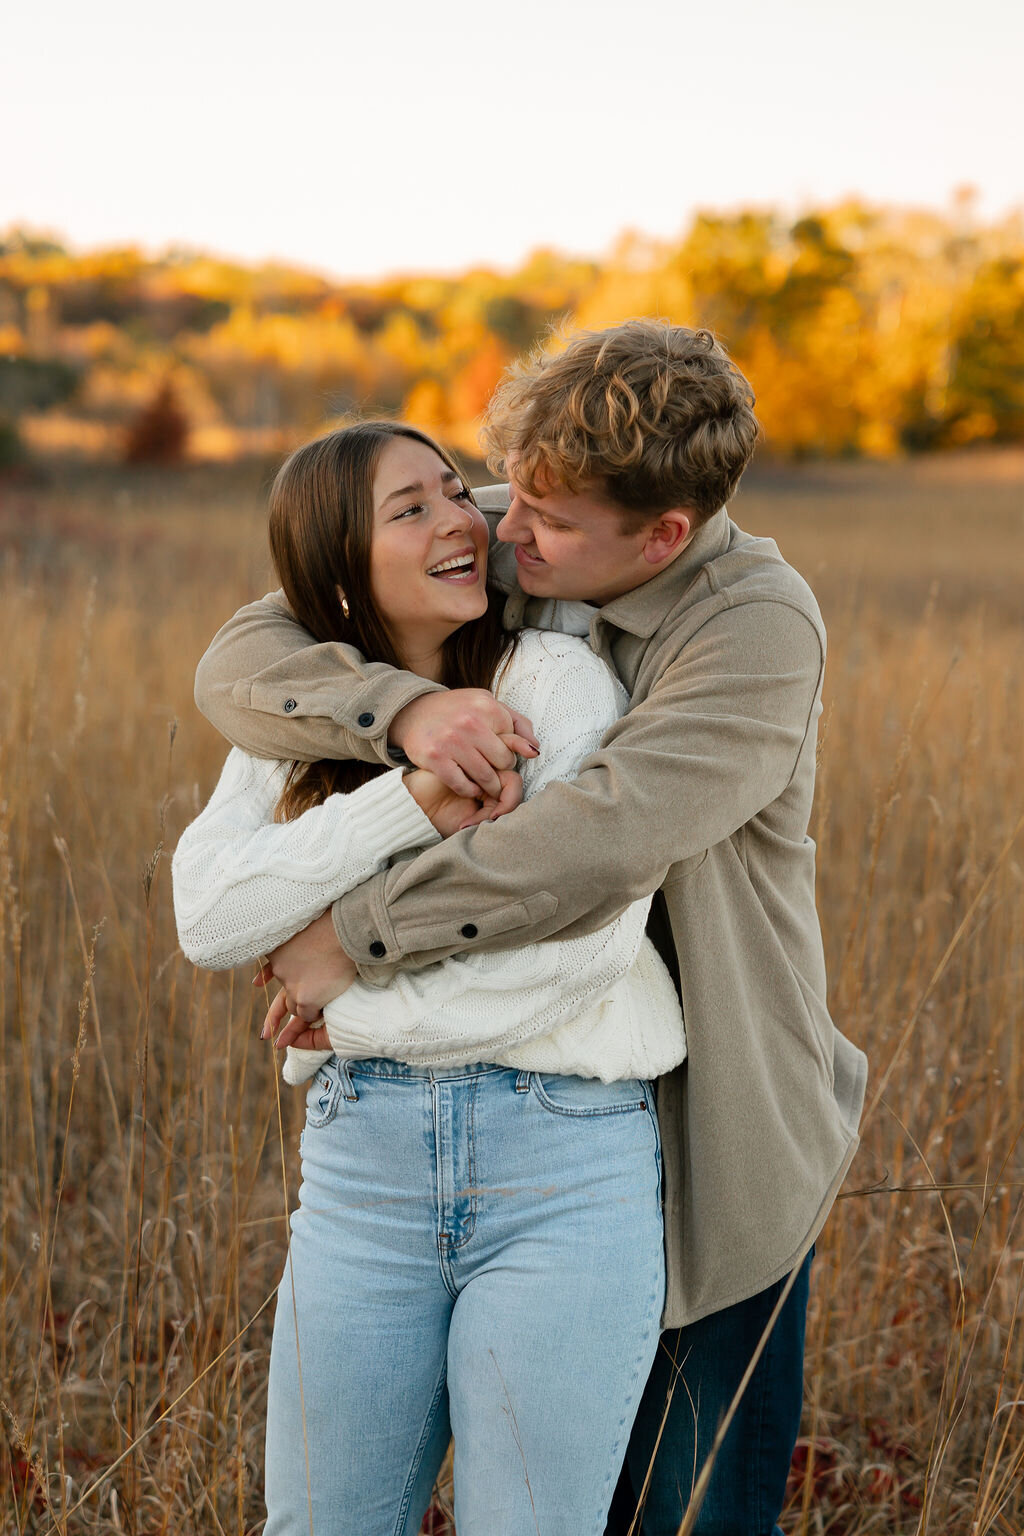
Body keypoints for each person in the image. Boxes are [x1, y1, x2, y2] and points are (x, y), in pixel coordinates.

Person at [194, 320, 870, 1535]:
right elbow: (250, 648)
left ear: (660, 537)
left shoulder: (753, 628)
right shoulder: (526, 530)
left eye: (543, 521)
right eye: (505, 494)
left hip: (707, 1126)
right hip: (500, 1091)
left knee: (691, 1516)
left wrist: (355, 938)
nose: (505, 532)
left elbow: (595, 841)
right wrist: (402, 710)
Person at [172, 420, 686, 1536]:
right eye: (411, 509)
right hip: (362, 1174)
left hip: (561, 1161)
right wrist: (407, 795)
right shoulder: (297, 716)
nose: (462, 520)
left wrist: (347, 997)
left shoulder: (552, 682)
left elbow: (580, 950)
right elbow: (209, 918)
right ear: (338, 573)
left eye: (454, 491)